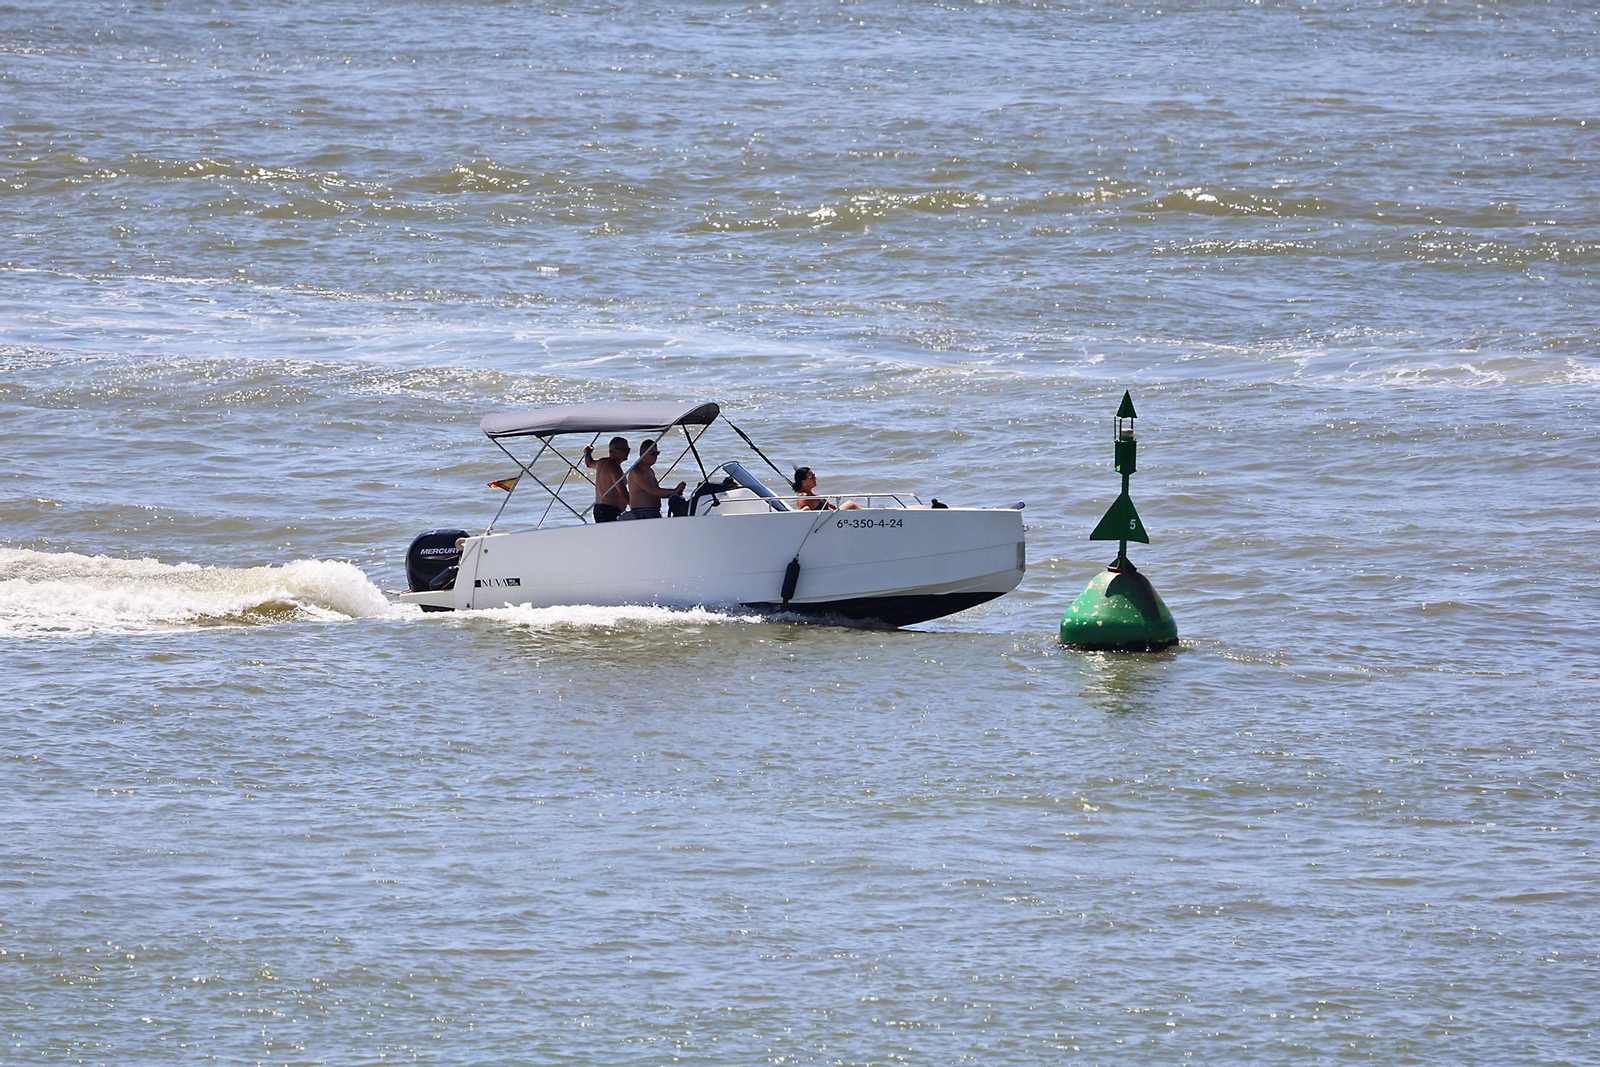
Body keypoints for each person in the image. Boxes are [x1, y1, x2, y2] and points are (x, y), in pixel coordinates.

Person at [624, 439, 685, 519]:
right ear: (643, 454)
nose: (656, 456)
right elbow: (651, 490)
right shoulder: (637, 471)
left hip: (654, 512)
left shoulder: (650, 471)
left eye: (657, 453)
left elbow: (657, 492)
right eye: (653, 453)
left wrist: (675, 493)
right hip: (642, 513)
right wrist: (673, 491)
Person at [582, 436, 630, 522]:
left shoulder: (602, 462)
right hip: (609, 511)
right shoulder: (614, 467)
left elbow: (589, 463)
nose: (627, 452)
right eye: (623, 449)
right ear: (612, 451)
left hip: (600, 509)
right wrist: (639, 506)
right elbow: (624, 495)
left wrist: (587, 453)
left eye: (628, 449)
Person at [793, 467, 860, 510]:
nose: (815, 478)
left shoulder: (810, 493)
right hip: (830, 521)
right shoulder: (805, 497)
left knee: (851, 504)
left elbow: (828, 505)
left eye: (814, 475)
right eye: (812, 477)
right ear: (804, 482)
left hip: (831, 517)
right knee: (851, 504)